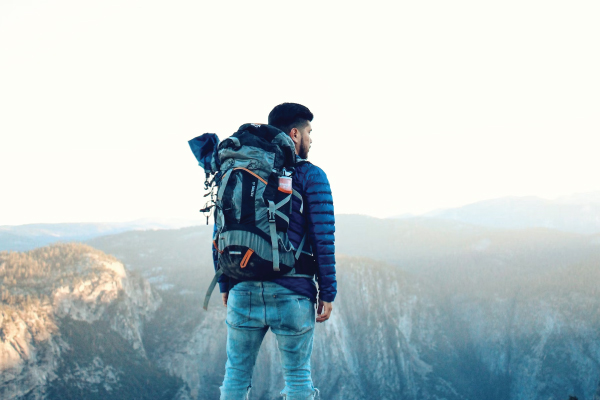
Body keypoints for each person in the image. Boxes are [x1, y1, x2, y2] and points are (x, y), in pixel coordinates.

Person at [217, 103, 337, 400]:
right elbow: (323, 237)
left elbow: (220, 227)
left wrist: (225, 281)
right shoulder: (311, 174)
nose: (311, 139)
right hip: (292, 291)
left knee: (235, 375)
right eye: (309, 132)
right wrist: (328, 291)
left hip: (242, 286)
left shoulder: (239, 168)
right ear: (295, 134)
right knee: (297, 378)